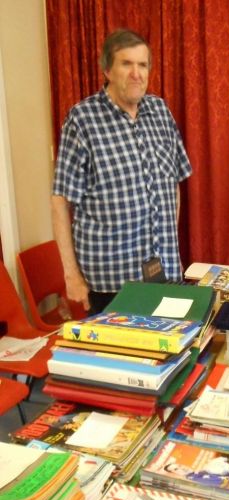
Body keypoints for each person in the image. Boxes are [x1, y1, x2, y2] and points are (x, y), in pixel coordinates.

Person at [51, 29, 192, 315]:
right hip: (110, 283)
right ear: (107, 70)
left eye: (143, 65)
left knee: (168, 343)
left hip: (163, 273)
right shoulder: (82, 120)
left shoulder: (160, 112)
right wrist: (71, 275)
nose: (136, 74)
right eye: (126, 64)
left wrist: (164, 239)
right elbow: (60, 202)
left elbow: (173, 183)